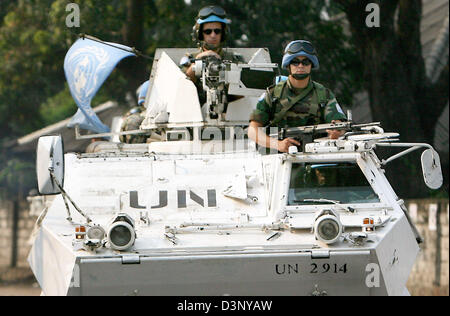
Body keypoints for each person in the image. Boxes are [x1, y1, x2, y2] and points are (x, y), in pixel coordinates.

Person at [248, 40, 347, 153]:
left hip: (314, 157)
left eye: (305, 62)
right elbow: (252, 130)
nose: (300, 66)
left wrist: (337, 131)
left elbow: (339, 124)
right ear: (288, 65)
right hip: (278, 160)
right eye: (295, 62)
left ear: (311, 65)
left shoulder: (323, 94)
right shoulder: (273, 94)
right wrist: (278, 144)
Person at [180, 5, 242, 103]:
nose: (213, 35)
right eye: (208, 31)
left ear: (223, 34)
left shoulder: (235, 60)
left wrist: (229, 75)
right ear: (200, 34)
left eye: (217, 31)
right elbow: (179, 89)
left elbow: (244, 95)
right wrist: (195, 65)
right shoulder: (190, 59)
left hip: (231, 114)